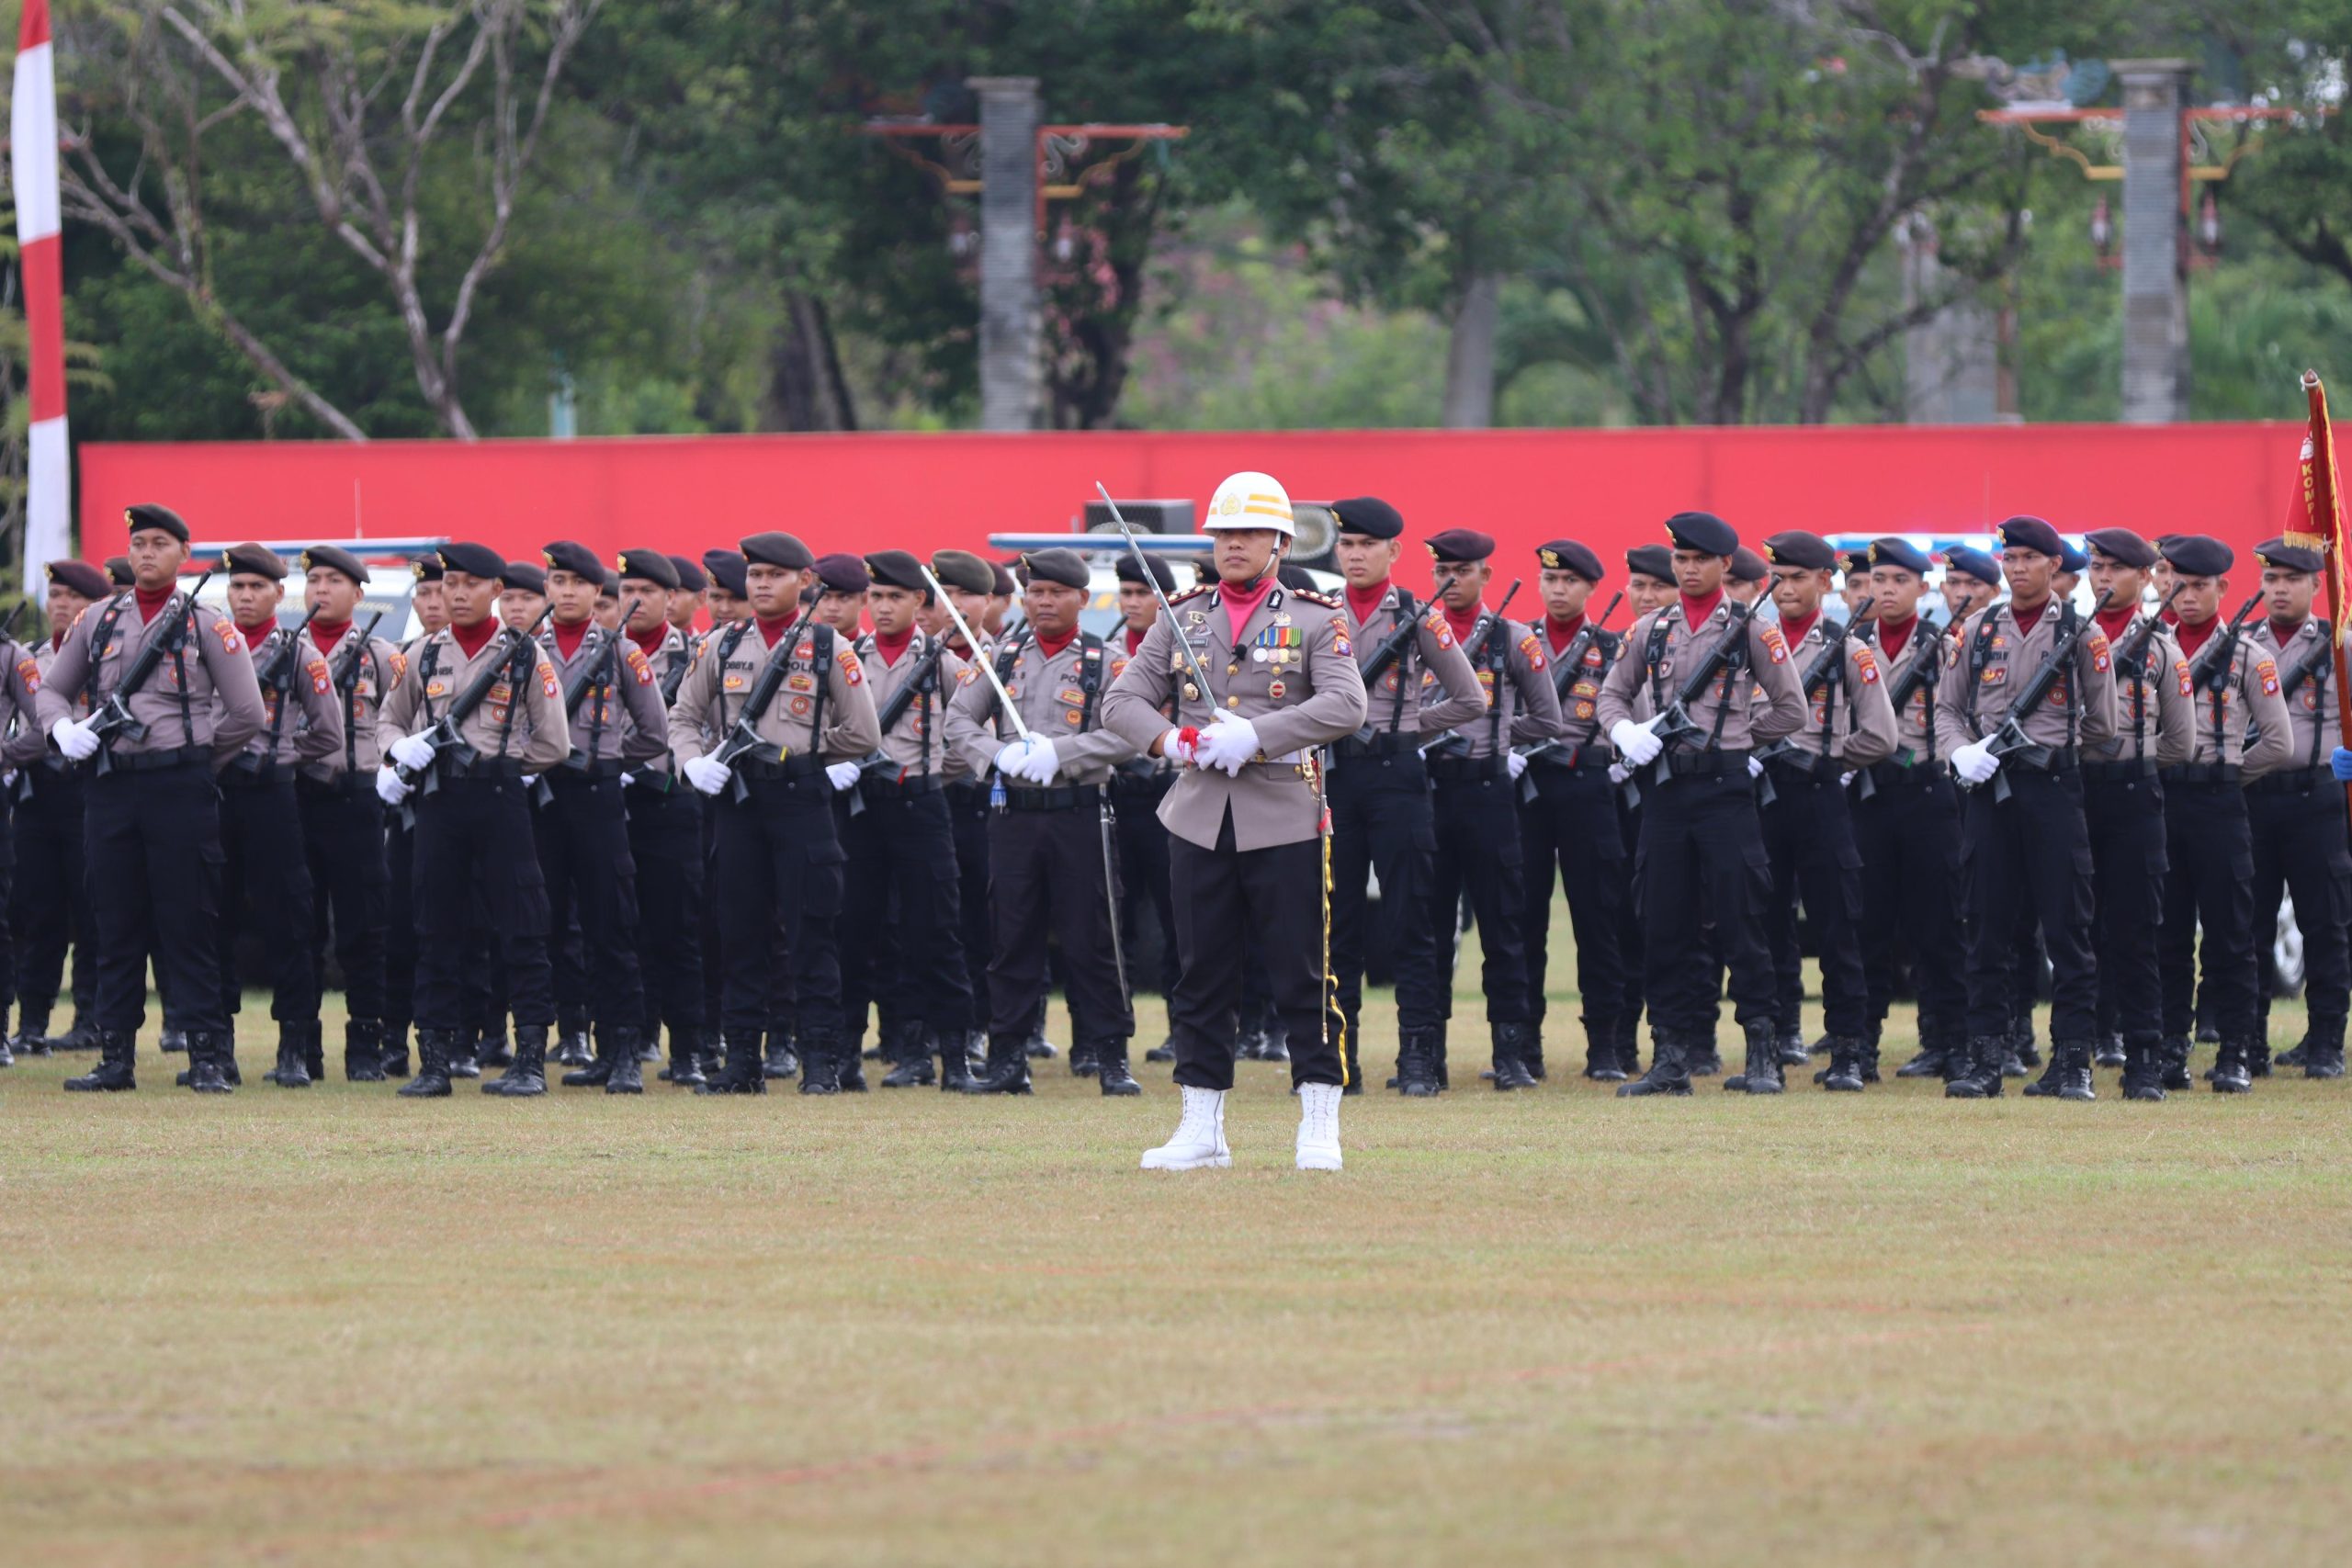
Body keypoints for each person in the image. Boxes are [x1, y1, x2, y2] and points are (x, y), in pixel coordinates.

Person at [1102, 470, 1369, 1169]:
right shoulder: (1181, 613)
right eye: (1223, 533)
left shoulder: (1317, 616)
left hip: (1285, 812)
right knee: (1199, 972)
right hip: (1198, 815)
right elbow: (1123, 700)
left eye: (1249, 533)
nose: (1233, 544)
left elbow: (1346, 705)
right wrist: (1176, 741)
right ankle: (1201, 1126)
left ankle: (1318, 1119)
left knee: (1303, 973)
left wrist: (1259, 734)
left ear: (1281, 542)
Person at [39, 503, 266, 1093]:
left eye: (159, 543)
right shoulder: (98, 621)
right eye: (138, 542)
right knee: (115, 922)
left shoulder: (207, 623)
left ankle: (208, 1056)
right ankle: (116, 1058)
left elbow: (247, 711)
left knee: (188, 922)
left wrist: (193, 756)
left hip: (179, 789)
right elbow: (52, 692)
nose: (145, 553)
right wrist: (63, 730)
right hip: (111, 786)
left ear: (182, 553)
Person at [1598, 511, 1805, 1097]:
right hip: (1664, 792)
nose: (1688, 570)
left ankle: (1762, 1050)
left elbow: (1792, 709)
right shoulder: (1651, 630)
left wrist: (1739, 735)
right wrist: (1623, 733)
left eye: (1699, 561)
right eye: (1680, 560)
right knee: (1663, 922)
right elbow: (1611, 696)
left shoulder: (1751, 630)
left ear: (1723, 566)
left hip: (1725, 793)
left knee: (1743, 920)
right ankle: (1670, 1057)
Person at [670, 531, 880, 1094]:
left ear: (804, 582)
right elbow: (683, 718)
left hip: (801, 801)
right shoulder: (719, 644)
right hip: (738, 802)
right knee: (740, 932)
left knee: (812, 931)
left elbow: (863, 731)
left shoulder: (827, 645)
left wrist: (807, 756)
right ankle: (742, 1063)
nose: (761, 585)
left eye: (774, 575)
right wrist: (692, 763)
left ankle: (819, 1063)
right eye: (754, 575)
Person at [374, 543, 569, 1098]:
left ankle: (529, 1057)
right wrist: (401, 748)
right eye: (446, 584)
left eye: (467, 584)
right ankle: (434, 1060)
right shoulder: (422, 655)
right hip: (438, 801)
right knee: (434, 926)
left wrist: (503, 767)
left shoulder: (527, 654)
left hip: (501, 798)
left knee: (522, 924)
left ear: (496, 592)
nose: (454, 595)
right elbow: (387, 721)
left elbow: (554, 741)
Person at [1933, 515, 2119, 1100]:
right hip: (1989, 791)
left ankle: (2072, 1063)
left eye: (2028, 560)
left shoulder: (2082, 633)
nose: (2016, 570)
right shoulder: (1980, 629)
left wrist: (2050, 752)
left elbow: (2106, 724)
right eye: (2009, 560)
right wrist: (1961, 754)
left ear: (2054, 566)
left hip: (2052, 792)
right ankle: (1986, 1059)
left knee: (2068, 930)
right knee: (1985, 927)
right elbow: (1946, 709)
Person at [944, 547, 1140, 1095]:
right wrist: (995, 754)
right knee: (1011, 937)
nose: (1044, 601)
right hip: (1014, 816)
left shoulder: (1108, 663)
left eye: (1056, 592)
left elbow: (1131, 730)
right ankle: (1008, 1059)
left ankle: (1110, 1058)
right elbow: (959, 719)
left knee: (1094, 938)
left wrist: (1065, 752)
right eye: (1035, 591)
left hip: (1080, 812)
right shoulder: (1001, 658)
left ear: (1082, 598)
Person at [1323, 496, 1482, 1095]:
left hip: (1398, 780)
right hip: (1335, 778)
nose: (1355, 554)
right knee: (1337, 925)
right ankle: (1338, 1058)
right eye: (1347, 544)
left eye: (1367, 545)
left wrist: (1410, 726)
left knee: (1411, 918)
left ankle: (1418, 1055)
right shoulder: (1320, 613)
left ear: (1393, 550)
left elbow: (1470, 699)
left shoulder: (1417, 614)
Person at [1747, 531, 1895, 1091]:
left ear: (1825, 582)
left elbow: (1880, 734)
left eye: (1797, 577)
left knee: (1837, 926)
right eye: (1776, 577)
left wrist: (1827, 760)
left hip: (1817, 796)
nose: (1783, 588)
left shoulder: (1848, 646)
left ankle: (1850, 1051)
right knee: (1761, 925)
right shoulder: (1749, 641)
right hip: (1757, 795)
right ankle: (1769, 1043)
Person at [1422, 527, 1565, 1089]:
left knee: (1504, 925)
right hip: (1427, 792)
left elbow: (1549, 720)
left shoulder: (1512, 637)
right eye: (1441, 571)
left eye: (1461, 571)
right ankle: (1424, 1054)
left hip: (1487, 792)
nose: (1449, 581)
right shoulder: (1415, 633)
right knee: (1427, 926)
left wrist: (1497, 733)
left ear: (1485, 574)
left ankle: (1510, 1052)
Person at [836, 550, 978, 1089]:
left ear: (920, 601)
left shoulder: (942, 662)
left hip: (920, 805)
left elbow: (966, 735)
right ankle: (845, 1056)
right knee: (854, 929)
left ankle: (952, 1058)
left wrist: (932, 776)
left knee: (934, 931)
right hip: (860, 807)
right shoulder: (848, 657)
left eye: (896, 596)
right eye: (876, 597)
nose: (884, 607)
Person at [530, 540, 669, 1095]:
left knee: (611, 923)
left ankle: (623, 1051)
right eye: (556, 582)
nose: (565, 592)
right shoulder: (524, 648)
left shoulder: (621, 652)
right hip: (538, 796)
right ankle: (545, 1045)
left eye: (577, 584)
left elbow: (655, 732)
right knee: (543, 924)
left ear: (596, 593)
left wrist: (607, 761)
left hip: (597, 798)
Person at [2154, 535, 2290, 1093]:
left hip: (2218, 802)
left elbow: (2279, 742)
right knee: (2165, 933)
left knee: (2231, 934)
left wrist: (2230, 773)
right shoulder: (2151, 648)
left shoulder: (2248, 656)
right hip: (2160, 803)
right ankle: (2165, 1048)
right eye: (2179, 584)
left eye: (2201, 587)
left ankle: (2235, 1049)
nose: (2188, 597)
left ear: (2223, 589)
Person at [2066, 528, 2193, 1100]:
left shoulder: (2163, 647)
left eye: (2116, 569)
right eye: (2096, 566)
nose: (2102, 577)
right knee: (2074, 929)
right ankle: (2075, 1054)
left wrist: (2132, 763)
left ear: (2145, 578)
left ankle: (2145, 1055)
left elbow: (2181, 742)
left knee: (2137, 931)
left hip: (2134, 797)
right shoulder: (2065, 638)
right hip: (2071, 791)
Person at [217, 542, 344, 1089]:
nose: (245, 597)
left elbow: (329, 734)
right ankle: (214, 1047)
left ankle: (296, 1046)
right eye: (238, 587)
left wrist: (282, 752)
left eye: (256, 588)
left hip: (271, 795)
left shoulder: (300, 655)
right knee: (211, 918)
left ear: (278, 594)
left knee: (288, 922)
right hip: (214, 795)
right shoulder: (208, 645)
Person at [1853, 539, 1970, 1083]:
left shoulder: (1945, 644)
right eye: (1879, 581)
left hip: (1928, 793)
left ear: (1923, 589)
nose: (1886, 591)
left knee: (1937, 924)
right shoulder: (1854, 644)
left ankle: (1944, 1040)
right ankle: (1861, 1042)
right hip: (1870, 797)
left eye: (1899, 581)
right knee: (1868, 923)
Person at [1520, 538, 1632, 1081]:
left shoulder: (1613, 647)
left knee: (1598, 919)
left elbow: (1632, 712)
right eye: (1550, 581)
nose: (1558, 590)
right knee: (1522, 920)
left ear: (1591, 588)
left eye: (1569, 582)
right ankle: (1523, 1044)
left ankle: (1605, 1046)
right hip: (1529, 787)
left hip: (1589, 786)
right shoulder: (1520, 643)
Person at [297, 545, 408, 1082]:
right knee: (300, 926)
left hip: (359, 798)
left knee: (364, 927)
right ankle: (300, 1049)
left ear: (358, 594)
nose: (320, 589)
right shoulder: (287, 651)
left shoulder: (382, 656)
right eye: (313, 579)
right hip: (299, 797)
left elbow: (400, 723)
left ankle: (366, 1043)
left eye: (333, 580)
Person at [2248, 536, 2349, 1080]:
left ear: (2316, 584)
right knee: (2251, 925)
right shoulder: (2243, 644)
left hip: (2317, 798)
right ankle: (2249, 1040)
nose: (2279, 588)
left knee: (2324, 923)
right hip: (2254, 797)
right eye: (2270, 579)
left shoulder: (2340, 644)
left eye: (2291, 579)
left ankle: (2326, 1040)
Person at [615, 549, 708, 1087]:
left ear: (672, 599)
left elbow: (711, 726)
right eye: (627, 590)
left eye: (648, 591)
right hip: (610, 801)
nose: (635, 600)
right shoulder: (602, 654)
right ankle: (623, 1046)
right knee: (617, 928)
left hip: (671, 803)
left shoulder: (696, 653)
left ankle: (689, 1050)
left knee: (677, 931)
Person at [10, 558, 108, 1059]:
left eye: (74, 598)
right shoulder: (27, 657)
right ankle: (31, 1023)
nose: (62, 605)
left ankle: (91, 1017)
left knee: (92, 908)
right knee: (37, 912)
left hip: (85, 792)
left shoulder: (106, 655)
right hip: (37, 797)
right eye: (56, 596)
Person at [1109, 552, 1185, 1066]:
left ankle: (1184, 1027)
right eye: (1128, 593)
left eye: (1144, 594)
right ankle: (1109, 1033)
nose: (1134, 603)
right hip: (1115, 795)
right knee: (1113, 919)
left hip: (1169, 791)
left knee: (1179, 916)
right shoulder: (1105, 650)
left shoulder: (1185, 652)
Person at [931, 548, 999, 1080]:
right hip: (919, 798)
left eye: (961, 595)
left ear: (987, 602)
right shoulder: (918, 654)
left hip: (972, 796)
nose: (950, 604)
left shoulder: (995, 659)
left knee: (977, 915)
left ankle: (979, 1023)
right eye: (943, 593)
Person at [380, 551, 447, 1079]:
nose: (432, 602)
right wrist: (391, 762)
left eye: (439, 591)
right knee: (404, 926)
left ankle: (469, 1037)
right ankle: (395, 1038)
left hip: (470, 805)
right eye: (422, 593)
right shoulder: (405, 657)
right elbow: (389, 725)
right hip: (411, 811)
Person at [1939, 547, 2002, 622]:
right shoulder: (1925, 633)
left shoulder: (2008, 633)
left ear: (1994, 591)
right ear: (1943, 588)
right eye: (1953, 583)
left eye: (1974, 584)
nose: (1961, 594)